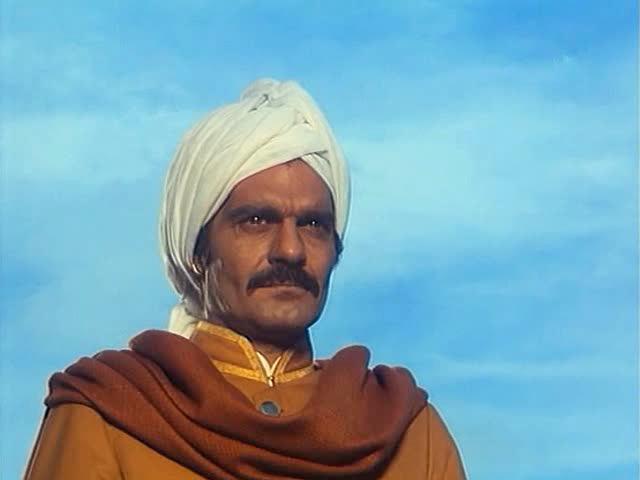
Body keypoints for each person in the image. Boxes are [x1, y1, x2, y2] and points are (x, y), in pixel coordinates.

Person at [24, 79, 466, 479]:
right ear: (197, 251)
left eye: (313, 224)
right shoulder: (111, 413)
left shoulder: (404, 430)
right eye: (256, 221)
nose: (290, 250)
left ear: (337, 250)